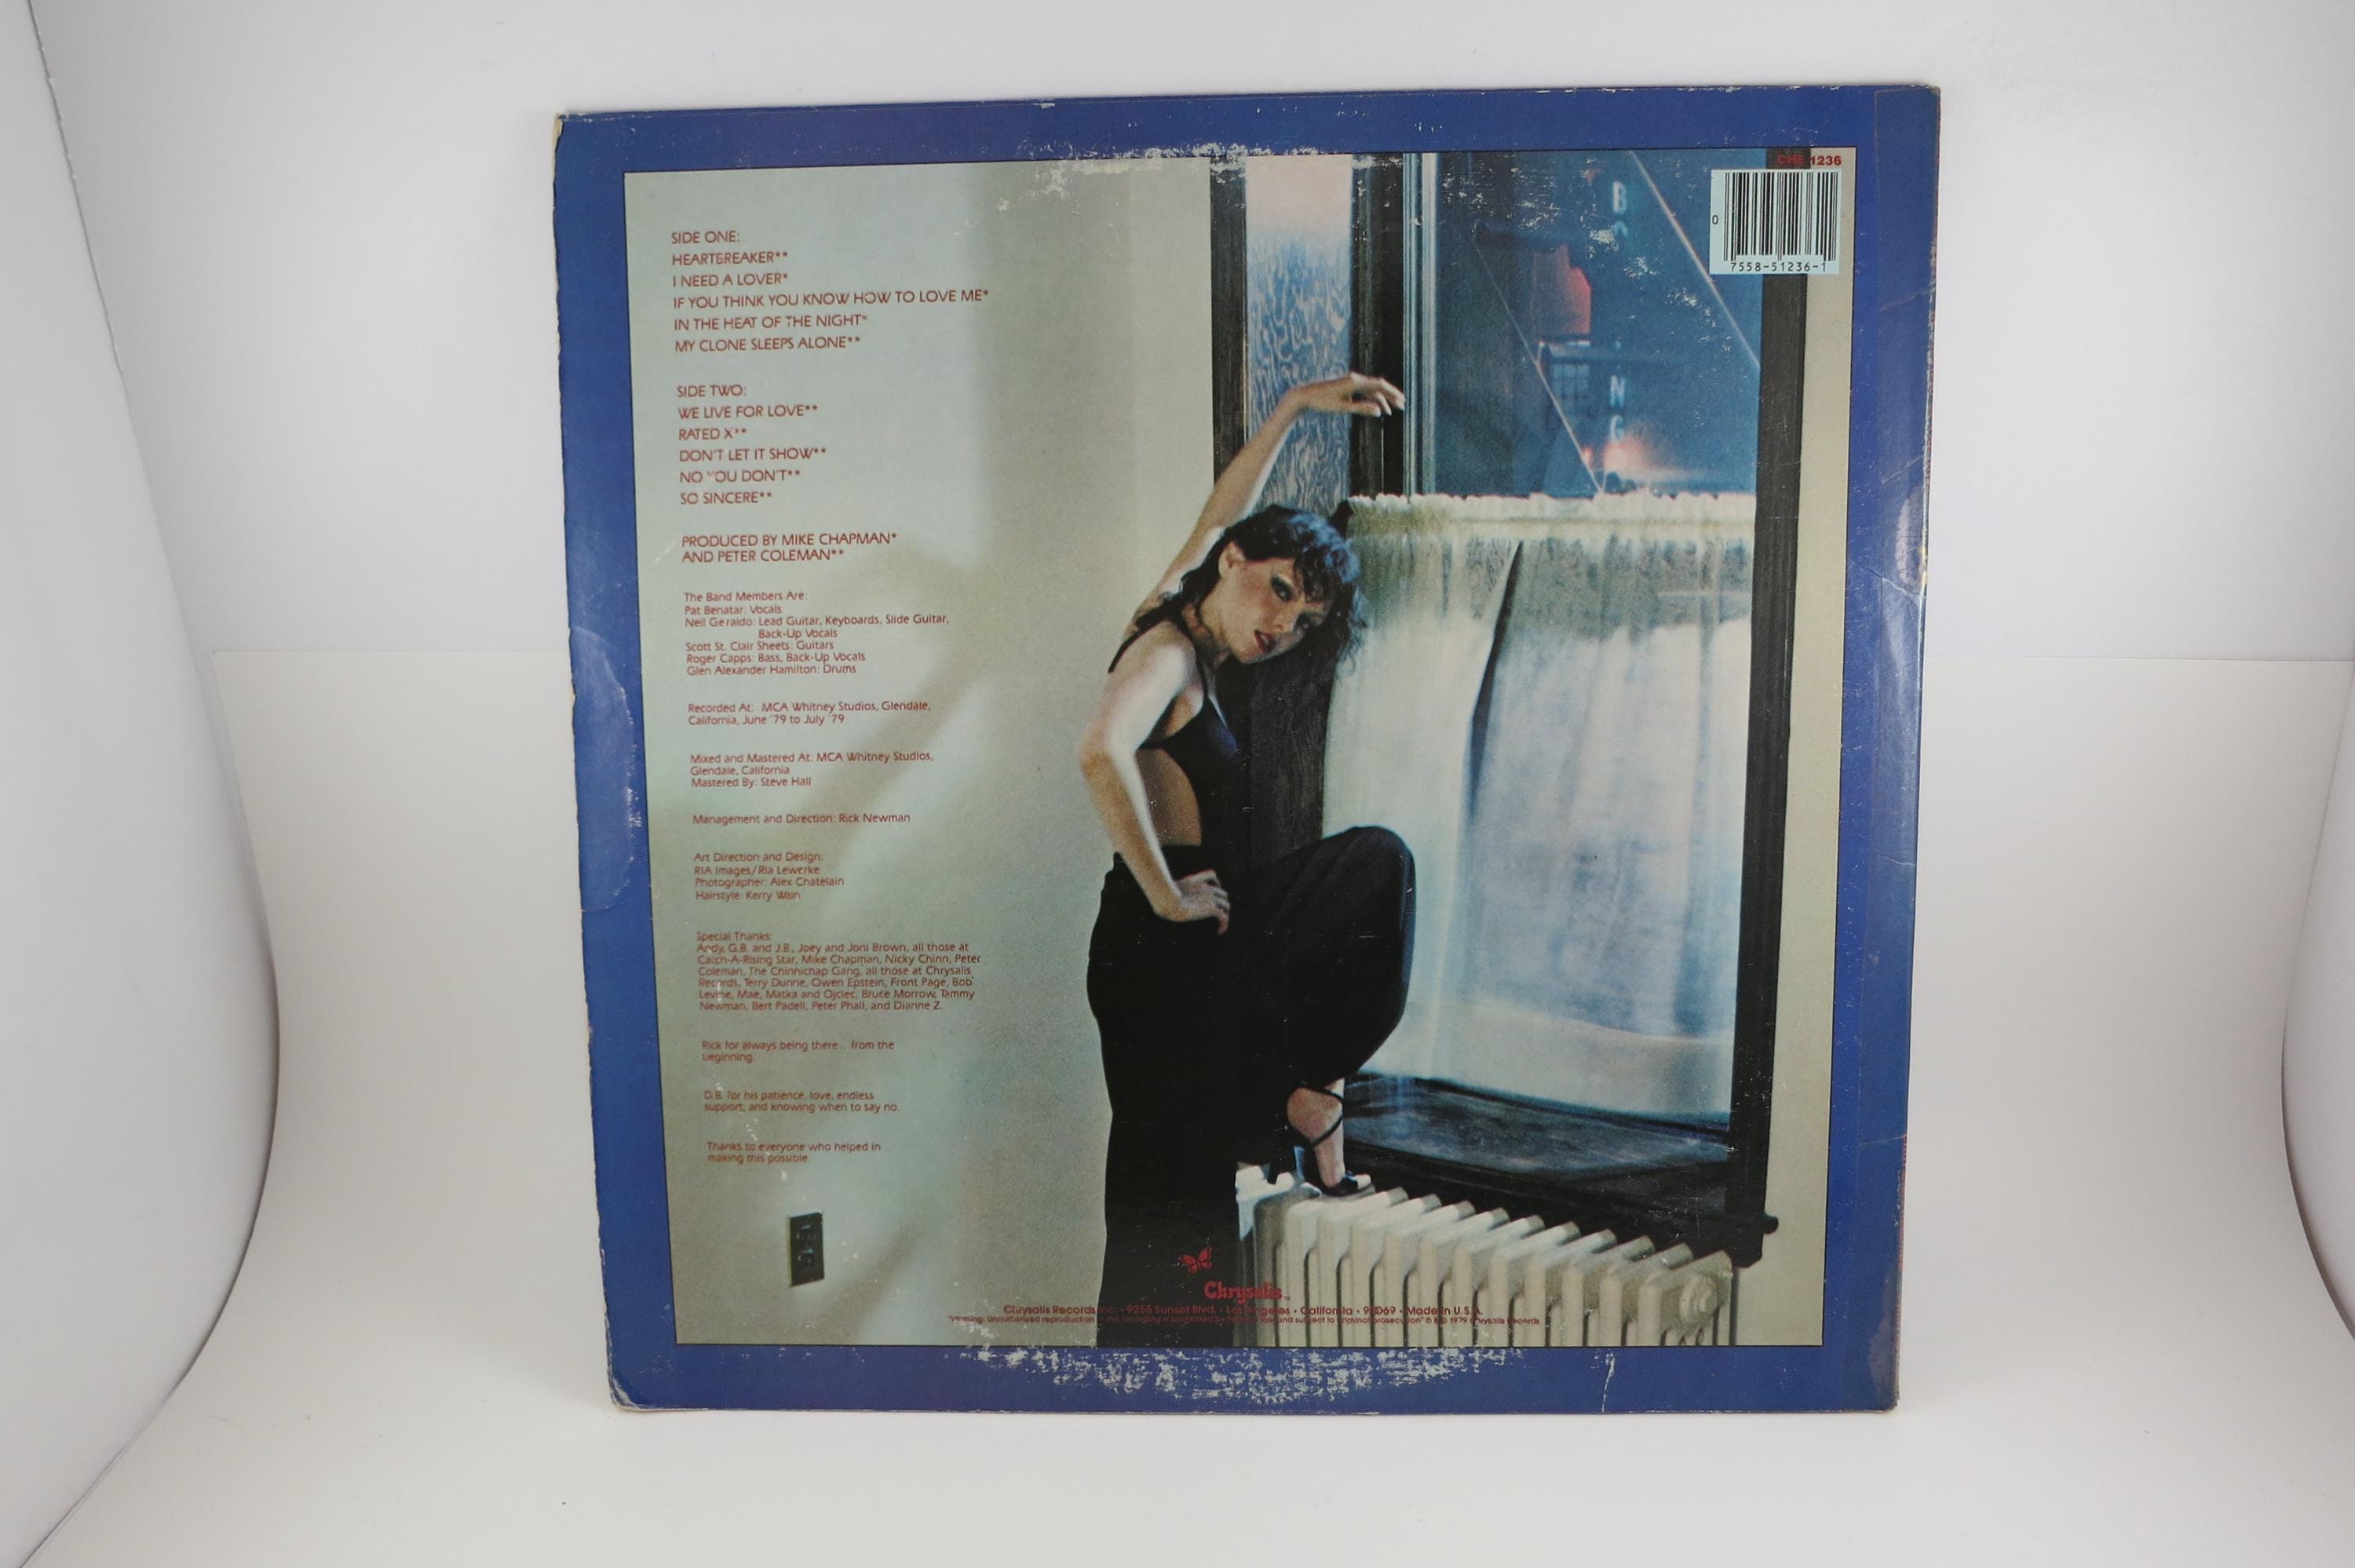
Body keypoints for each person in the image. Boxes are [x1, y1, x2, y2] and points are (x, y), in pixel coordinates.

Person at [1074, 372, 1418, 1347]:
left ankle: (1306, 1091)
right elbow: (1099, 750)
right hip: (1158, 958)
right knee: (1173, 1218)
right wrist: (1164, 896)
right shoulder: (1165, 656)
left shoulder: (1186, 616)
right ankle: (1306, 1098)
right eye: (1279, 591)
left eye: (1303, 619)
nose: (1281, 625)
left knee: (1174, 1211)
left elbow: (1219, 515)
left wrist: (1292, 410)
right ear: (1235, 566)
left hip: (1188, 958)